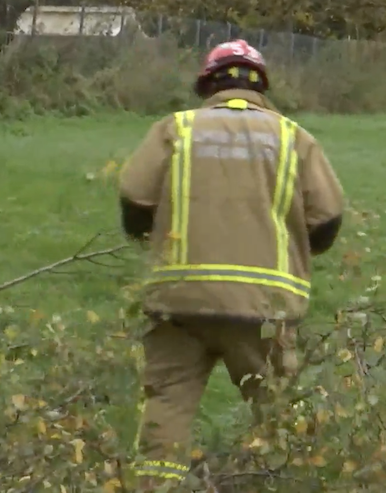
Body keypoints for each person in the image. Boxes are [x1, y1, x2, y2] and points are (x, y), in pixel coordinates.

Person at [117, 39, 344, 489]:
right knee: (279, 417)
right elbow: (328, 218)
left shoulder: (174, 129)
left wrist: (155, 243)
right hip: (264, 310)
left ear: (208, 85)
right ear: (262, 87)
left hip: (178, 303)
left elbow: (134, 200)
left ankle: (156, 486)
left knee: (165, 416)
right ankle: (287, 480)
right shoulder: (293, 137)